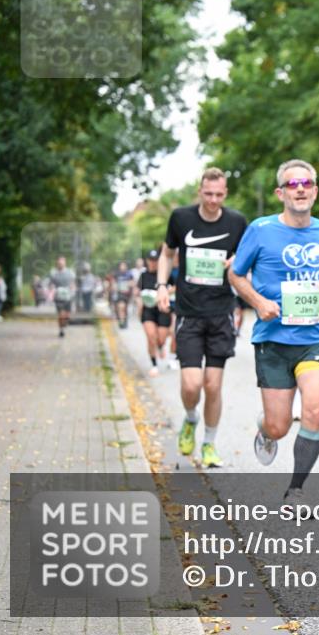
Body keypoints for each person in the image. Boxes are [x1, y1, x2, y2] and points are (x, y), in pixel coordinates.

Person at [229, 159, 319, 510]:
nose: (300, 189)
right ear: (280, 193)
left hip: (315, 338)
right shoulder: (261, 229)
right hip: (273, 339)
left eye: (307, 183)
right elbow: (236, 275)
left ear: (315, 190)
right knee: (280, 426)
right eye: (292, 184)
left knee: (314, 410)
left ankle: (295, 491)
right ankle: (266, 427)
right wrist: (258, 302)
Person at [157, 167, 248, 468]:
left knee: (213, 386)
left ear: (226, 194)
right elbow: (167, 253)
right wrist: (161, 286)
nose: (213, 200)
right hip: (189, 313)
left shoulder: (236, 222)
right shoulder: (181, 218)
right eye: (208, 194)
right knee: (191, 385)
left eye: (219, 195)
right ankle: (191, 418)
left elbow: (248, 258)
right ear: (200, 191)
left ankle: (209, 443)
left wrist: (237, 260)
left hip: (221, 313)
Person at [138, 249, 172, 377]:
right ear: (147, 261)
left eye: (155, 261)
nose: (152, 263)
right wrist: (139, 308)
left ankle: (161, 346)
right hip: (148, 310)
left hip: (163, 309)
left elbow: (176, 287)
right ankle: (154, 365)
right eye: (150, 261)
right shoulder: (143, 276)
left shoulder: (165, 275)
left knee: (161, 339)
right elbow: (138, 293)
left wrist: (165, 294)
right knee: (151, 336)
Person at [49, 256, 76, 337]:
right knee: (61, 314)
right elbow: (51, 283)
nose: (60, 264)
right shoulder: (53, 273)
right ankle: (61, 330)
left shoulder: (70, 273)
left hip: (68, 296)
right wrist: (52, 288)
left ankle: (65, 322)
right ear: (57, 264)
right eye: (59, 263)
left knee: (67, 314)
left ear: (65, 263)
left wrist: (73, 288)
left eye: (62, 263)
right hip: (58, 296)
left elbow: (73, 283)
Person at [113, 261, 135, 328]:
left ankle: (124, 320)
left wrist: (127, 284)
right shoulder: (116, 274)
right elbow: (114, 284)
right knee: (120, 307)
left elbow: (133, 283)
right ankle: (121, 321)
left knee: (124, 308)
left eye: (124, 265)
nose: (123, 267)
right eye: (121, 266)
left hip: (127, 294)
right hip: (119, 294)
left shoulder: (129, 274)